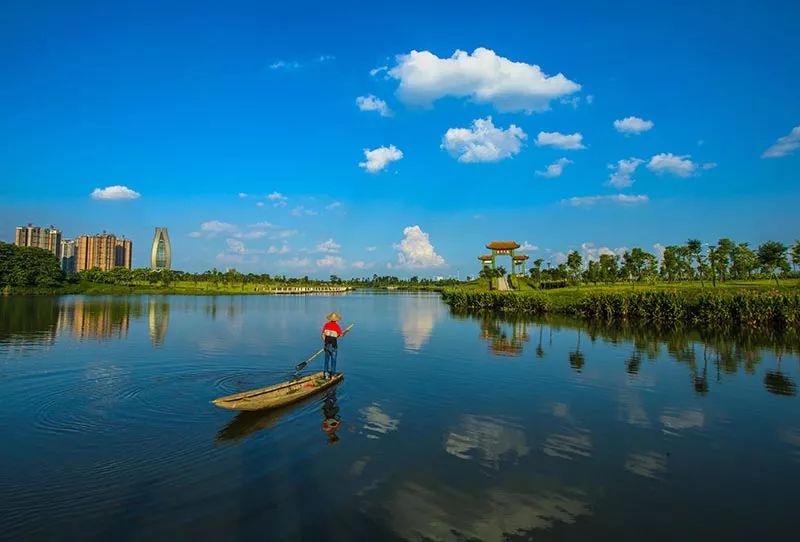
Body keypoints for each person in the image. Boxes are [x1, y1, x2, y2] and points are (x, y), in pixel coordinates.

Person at [321, 312, 347, 379]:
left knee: (326, 360)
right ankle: (332, 375)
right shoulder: (337, 326)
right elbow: (341, 335)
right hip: (333, 346)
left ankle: (326, 374)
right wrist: (345, 332)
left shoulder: (326, 325)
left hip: (326, 346)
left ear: (330, 319)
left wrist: (326, 342)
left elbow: (323, 335)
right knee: (333, 361)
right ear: (336, 320)